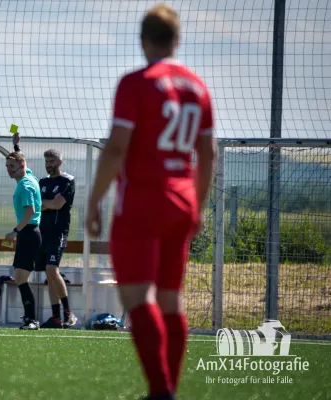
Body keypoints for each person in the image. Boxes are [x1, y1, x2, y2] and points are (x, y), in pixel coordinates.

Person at [84, 4, 217, 400]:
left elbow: (116, 149)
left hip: (142, 200)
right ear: (177, 39)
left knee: (137, 297)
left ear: (143, 41)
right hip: (182, 200)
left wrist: (94, 202)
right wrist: (198, 206)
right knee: (170, 300)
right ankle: (168, 389)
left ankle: (160, 390)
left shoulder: (135, 83)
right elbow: (207, 155)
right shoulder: (198, 87)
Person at [13, 134, 77, 329]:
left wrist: (44, 203)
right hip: (43, 233)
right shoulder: (41, 182)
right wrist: (16, 146)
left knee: (51, 269)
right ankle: (56, 317)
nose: (49, 164)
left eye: (52, 161)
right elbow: (25, 170)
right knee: (48, 275)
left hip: (58, 233)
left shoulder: (67, 181)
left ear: (60, 161)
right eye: (46, 161)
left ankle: (68, 313)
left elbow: (58, 204)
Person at [4, 150, 43, 330]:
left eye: (12, 166)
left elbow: (30, 211)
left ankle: (32, 319)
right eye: (7, 166)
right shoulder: (28, 175)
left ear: (21, 166)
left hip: (28, 232)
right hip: (29, 233)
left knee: (20, 277)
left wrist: (15, 231)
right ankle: (30, 317)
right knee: (20, 277)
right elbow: (23, 162)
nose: (8, 170)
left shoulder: (26, 184)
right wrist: (16, 146)